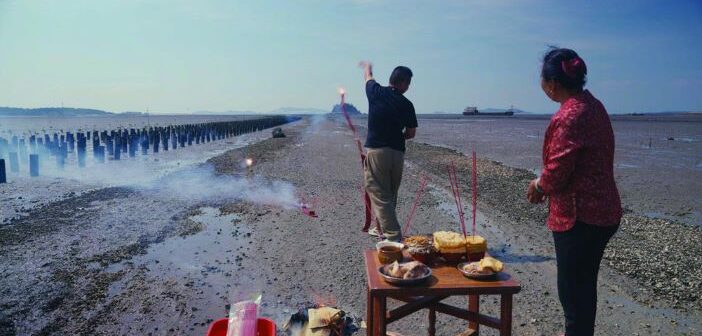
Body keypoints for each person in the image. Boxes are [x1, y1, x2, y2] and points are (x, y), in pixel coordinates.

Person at [527, 47, 622, 336]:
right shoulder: (593, 105)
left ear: (552, 83)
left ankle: (575, 331)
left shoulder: (570, 114)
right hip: (603, 211)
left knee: (571, 289)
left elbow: (558, 169)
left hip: (580, 217)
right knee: (584, 284)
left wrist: (538, 186)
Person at [359, 61, 417, 242]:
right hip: (397, 154)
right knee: (390, 194)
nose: (408, 87)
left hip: (377, 151)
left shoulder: (376, 92)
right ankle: (380, 228)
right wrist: (397, 136)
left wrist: (367, 67)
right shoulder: (407, 104)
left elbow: (368, 78)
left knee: (378, 192)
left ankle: (393, 237)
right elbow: (411, 133)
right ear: (403, 83)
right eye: (408, 83)